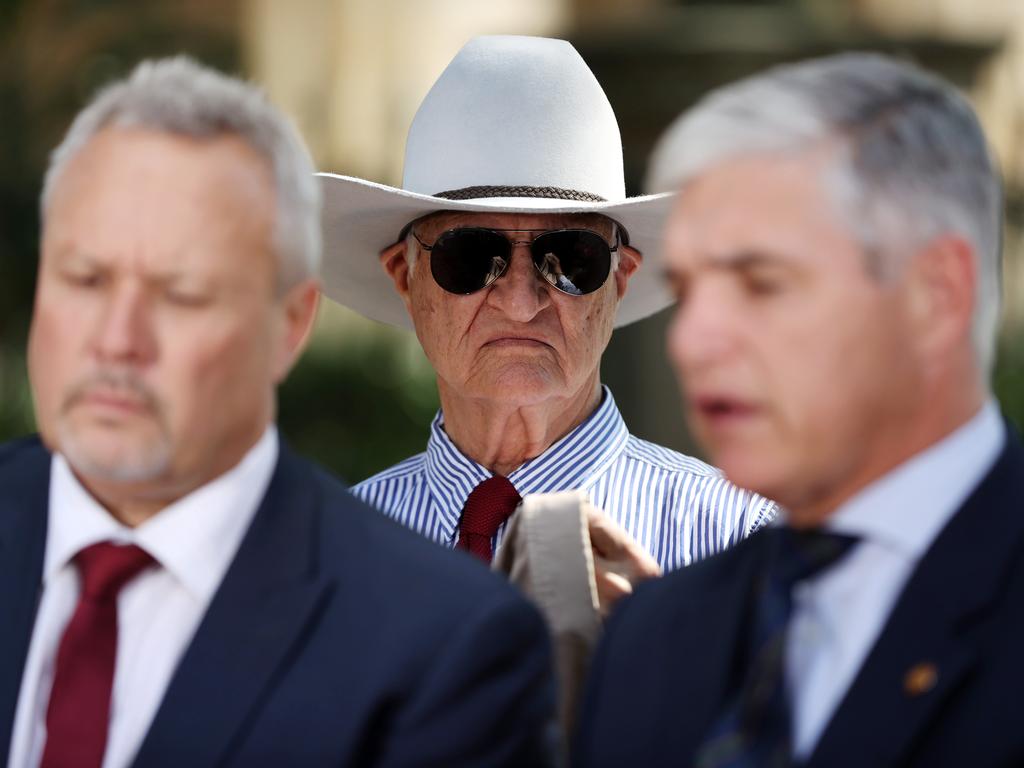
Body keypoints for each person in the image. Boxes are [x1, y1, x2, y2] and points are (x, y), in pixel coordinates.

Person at [0, 57, 554, 768]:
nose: (117, 340)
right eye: (84, 278)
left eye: (182, 293)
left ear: (289, 325)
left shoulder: (439, 645)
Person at [575, 52, 1024, 767]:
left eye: (761, 283)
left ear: (935, 296)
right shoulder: (652, 641)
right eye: (689, 290)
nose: (691, 341)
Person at [318, 35, 776, 611]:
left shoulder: (742, 544)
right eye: (467, 257)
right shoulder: (325, 562)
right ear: (405, 278)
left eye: (571, 258)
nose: (520, 301)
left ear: (620, 279)